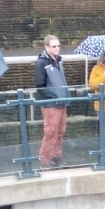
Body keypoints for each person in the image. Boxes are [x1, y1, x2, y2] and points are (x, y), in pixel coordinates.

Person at [33, 35, 70, 168]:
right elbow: (39, 86)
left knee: (60, 132)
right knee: (51, 133)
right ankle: (45, 160)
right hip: (51, 104)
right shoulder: (41, 63)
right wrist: (54, 96)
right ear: (46, 47)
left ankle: (56, 156)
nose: (57, 48)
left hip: (61, 101)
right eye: (54, 46)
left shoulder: (58, 61)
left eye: (58, 45)